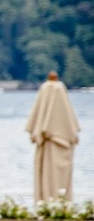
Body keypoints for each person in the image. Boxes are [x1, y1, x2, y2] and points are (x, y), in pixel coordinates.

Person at [26, 71, 79, 202]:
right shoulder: (57, 90)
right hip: (59, 142)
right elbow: (72, 131)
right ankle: (56, 202)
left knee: (49, 176)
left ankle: (49, 202)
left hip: (53, 142)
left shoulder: (51, 89)